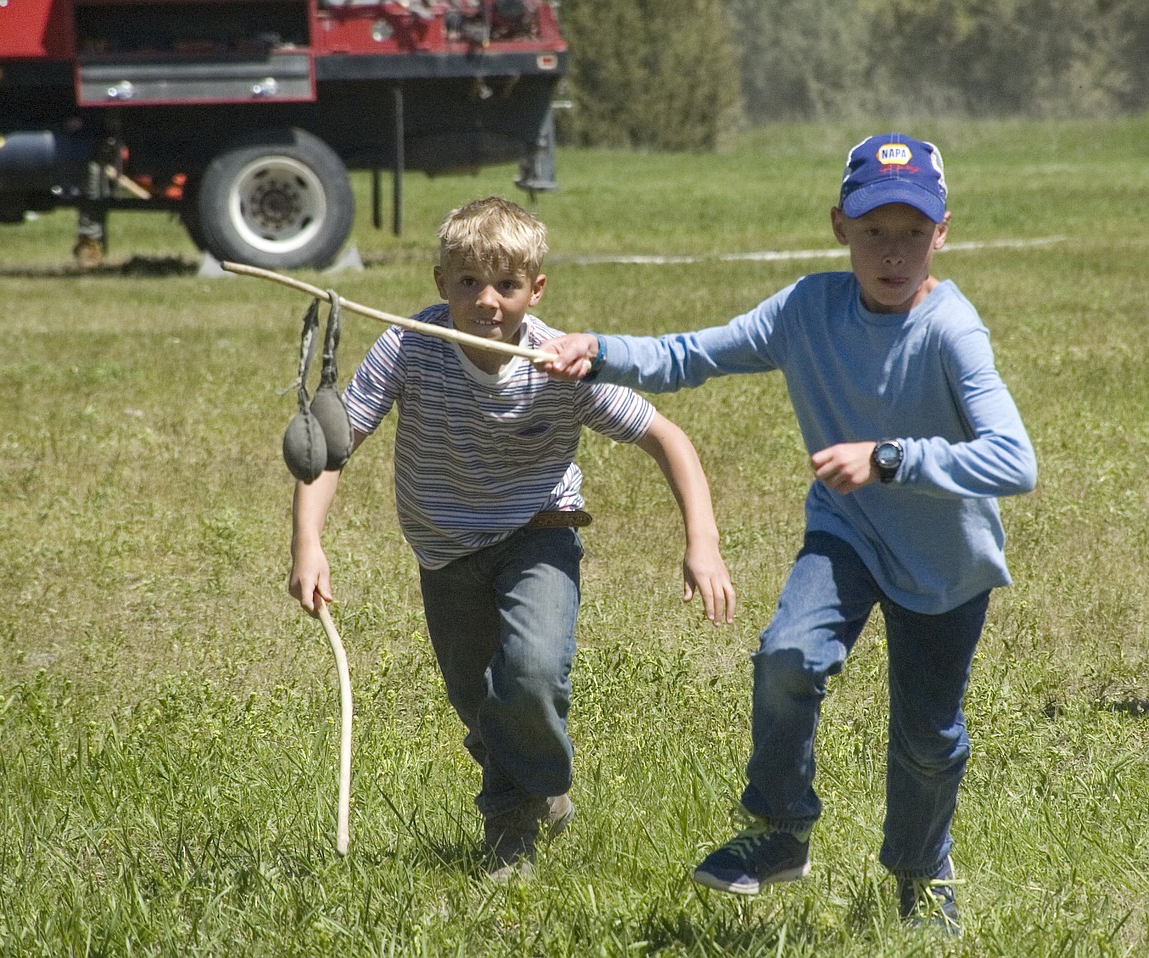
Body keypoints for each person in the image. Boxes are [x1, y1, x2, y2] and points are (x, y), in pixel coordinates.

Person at [539, 134, 1037, 932]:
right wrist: (599, 352)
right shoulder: (808, 308)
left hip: (946, 564)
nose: (894, 251)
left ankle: (921, 868)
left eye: (914, 231)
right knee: (786, 658)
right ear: (841, 225)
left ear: (942, 233)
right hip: (846, 536)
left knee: (927, 740)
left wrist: (889, 457)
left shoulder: (952, 330)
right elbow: (692, 355)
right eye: (875, 229)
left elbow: (1016, 461)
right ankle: (779, 832)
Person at [289, 195, 735, 880]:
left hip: (539, 533)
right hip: (444, 549)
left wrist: (700, 541)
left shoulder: (560, 366)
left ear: (536, 290)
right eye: (468, 282)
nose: (487, 300)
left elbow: (665, 438)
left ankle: (509, 828)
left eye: (507, 285)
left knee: (526, 674)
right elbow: (333, 446)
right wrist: (307, 544)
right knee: (477, 703)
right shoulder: (410, 344)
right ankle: (540, 789)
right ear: (441, 283)